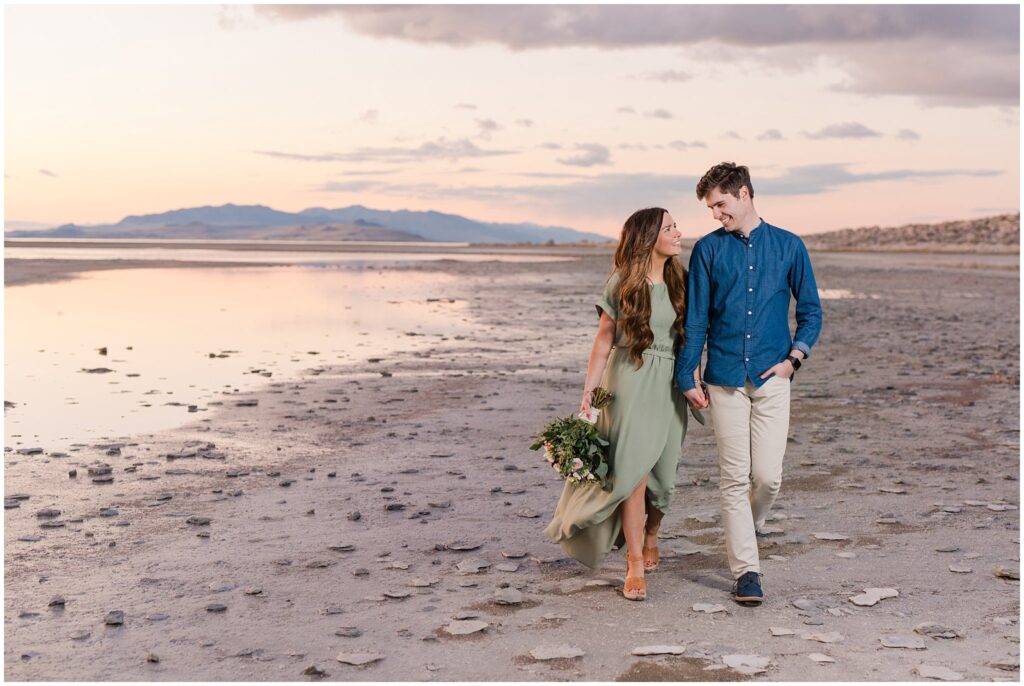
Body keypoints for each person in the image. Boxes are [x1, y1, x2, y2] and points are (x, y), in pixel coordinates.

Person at [674, 162, 822, 606]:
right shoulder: (707, 251)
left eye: (720, 204)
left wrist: (794, 360)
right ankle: (747, 570)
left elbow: (811, 312)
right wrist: (687, 373)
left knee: (768, 478)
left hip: (773, 375)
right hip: (723, 378)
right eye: (711, 208)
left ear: (743, 193)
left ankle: (750, 527)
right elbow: (696, 319)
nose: (716, 215)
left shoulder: (790, 246)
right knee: (734, 477)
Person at [545, 207, 702, 601]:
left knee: (663, 480)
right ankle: (633, 562)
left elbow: (693, 338)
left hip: (668, 386)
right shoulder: (622, 282)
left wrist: (695, 379)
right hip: (628, 382)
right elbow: (603, 341)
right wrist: (589, 394)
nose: (679, 233)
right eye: (670, 228)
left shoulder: (682, 280)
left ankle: (652, 531)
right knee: (633, 475)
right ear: (650, 237)